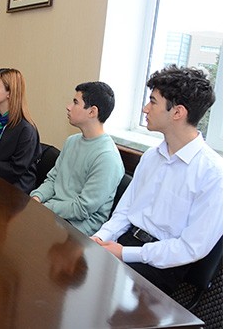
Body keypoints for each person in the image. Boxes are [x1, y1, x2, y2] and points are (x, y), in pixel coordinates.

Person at [91, 65, 222, 296]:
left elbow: (191, 247)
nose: (145, 108)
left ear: (177, 112)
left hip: (161, 266)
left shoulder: (213, 173)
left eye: (153, 102)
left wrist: (125, 253)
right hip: (124, 243)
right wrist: (101, 237)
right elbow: (125, 211)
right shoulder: (152, 156)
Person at [31, 82, 124, 236]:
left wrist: (45, 207)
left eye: (75, 103)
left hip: (78, 230)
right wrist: (36, 197)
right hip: (54, 214)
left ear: (92, 112)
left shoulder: (107, 157)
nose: (68, 107)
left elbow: (82, 208)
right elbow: (53, 179)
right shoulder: (72, 141)